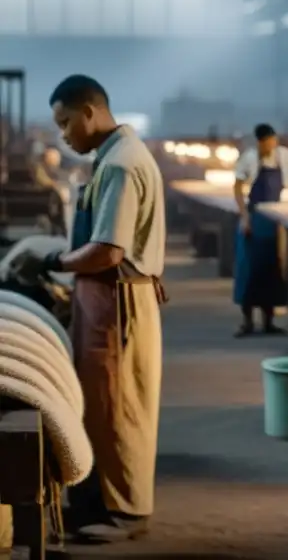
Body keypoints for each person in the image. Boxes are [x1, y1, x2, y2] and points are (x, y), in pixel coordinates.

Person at [18, 74, 167, 544]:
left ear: (90, 112)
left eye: (65, 123)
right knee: (102, 405)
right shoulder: (112, 158)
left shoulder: (121, 164)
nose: (63, 135)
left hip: (117, 301)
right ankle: (102, 500)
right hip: (103, 298)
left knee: (119, 406)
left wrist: (50, 261)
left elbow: (107, 251)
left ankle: (127, 512)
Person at [232, 123, 288, 337]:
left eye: (272, 141)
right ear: (258, 142)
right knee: (249, 270)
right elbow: (237, 187)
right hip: (254, 219)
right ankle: (247, 322)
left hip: (276, 221)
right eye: (264, 142)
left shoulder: (286, 157)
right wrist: (244, 217)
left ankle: (269, 322)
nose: (269, 145)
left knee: (272, 270)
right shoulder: (249, 158)